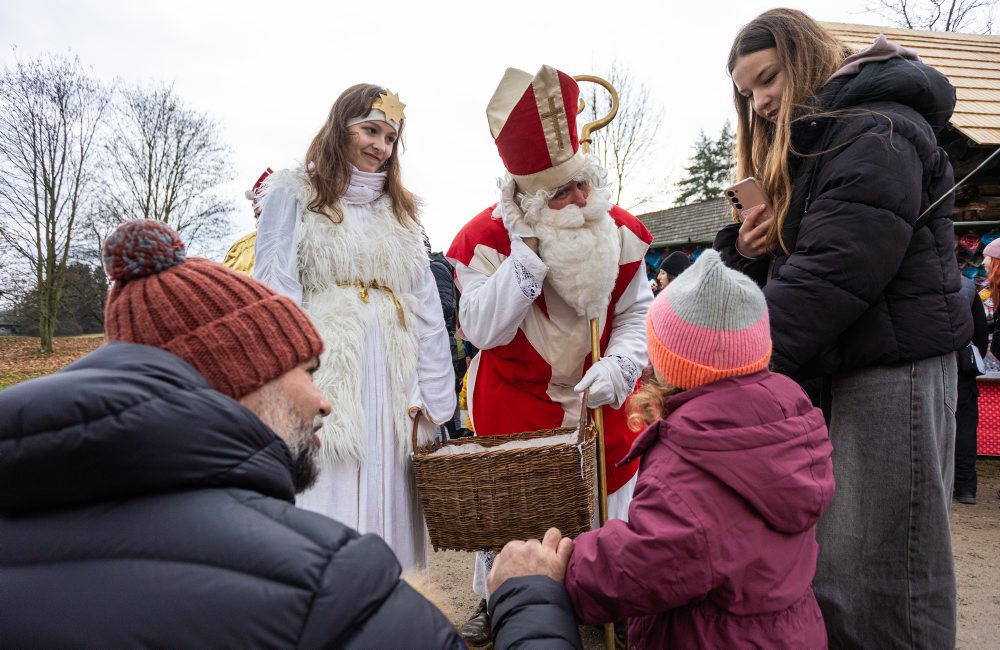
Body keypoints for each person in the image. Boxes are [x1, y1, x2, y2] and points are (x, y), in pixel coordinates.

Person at [715, 9, 972, 647]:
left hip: (891, 376)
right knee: (846, 568)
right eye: (748, 93)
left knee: (888, 577)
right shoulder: (840, 137)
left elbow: (838, 270)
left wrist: (730, 365)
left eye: (769, 79)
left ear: (804, 59)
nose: (762, 101)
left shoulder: (877, 132)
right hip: (854, 367)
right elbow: (828, 256)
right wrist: (752, 246)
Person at [504, 250, 833, 647]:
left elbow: (647, 562)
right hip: (790, 632)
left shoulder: (699, 456)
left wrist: (561, 570)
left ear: (671, 361)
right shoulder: (785, 419)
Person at [447, 64, 653, 645]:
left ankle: (600, 599)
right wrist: (528, 257)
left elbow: (637, 314)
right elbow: (481, 329)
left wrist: (620, 364)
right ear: (528, 199)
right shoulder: (480, 242)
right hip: (516, 404)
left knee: (605, 512)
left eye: (582, 184)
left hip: (601, 400)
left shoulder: (621, 231)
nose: (580, 199)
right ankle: (504, 599)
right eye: (561, 192)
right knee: (514, 514)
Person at [253, 84, 456, 571]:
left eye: (390, 137)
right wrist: (289, 381)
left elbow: (426, 305)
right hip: (329, 365)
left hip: (393, 371)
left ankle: (393, 611)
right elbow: (276, 289)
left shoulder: (403, 213)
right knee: (331, 481)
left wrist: (435, 391)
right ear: (340, 127)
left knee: (392, 480)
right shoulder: (293, 193)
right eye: (370, 130)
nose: (380, 146)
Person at [955, 274, 988, 504]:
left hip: (927, 365)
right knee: (964, 428)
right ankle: (966, 487)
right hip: (961, 368)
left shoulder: (914, 280)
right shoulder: (967, 287)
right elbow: (981, 337)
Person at [222, 167, 273, 274]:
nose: (258, 222)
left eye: (261, 214)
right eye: (256, 216)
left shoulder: (303, 246)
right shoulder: (241, 249)